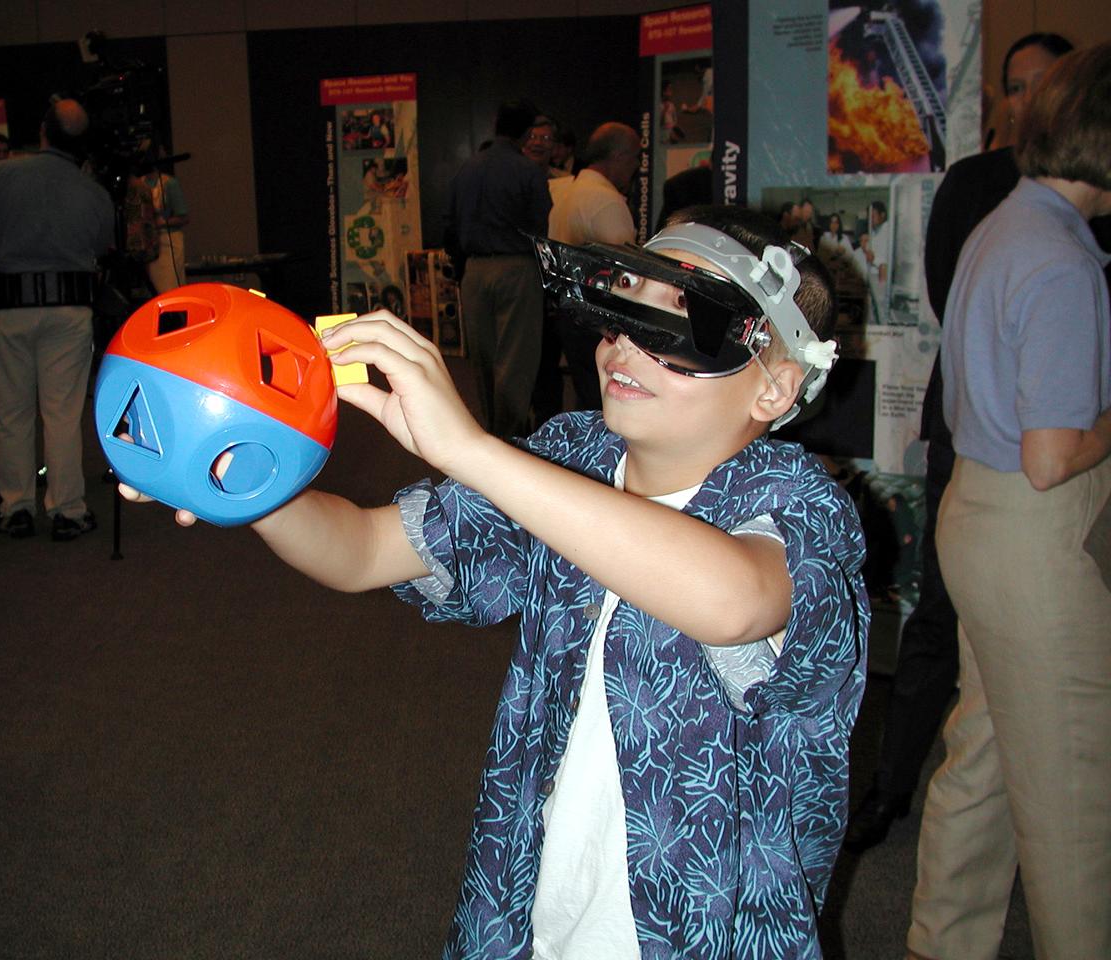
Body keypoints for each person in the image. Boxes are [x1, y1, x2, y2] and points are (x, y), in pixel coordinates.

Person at [127, 205, 867, 957]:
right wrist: (241, 474)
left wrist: (469, 450)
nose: (626, 346)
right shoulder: (567, 458)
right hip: (529, 910)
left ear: (774, 389)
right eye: (623, 309)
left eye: (682, 325)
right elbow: (361, 550)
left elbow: (734, 602)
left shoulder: (802, 510)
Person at [845, 31, 1078, 854]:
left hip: (1040, 462)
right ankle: (893, 785)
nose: (1027, 99)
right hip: (985, 445)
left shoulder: (1073, 209)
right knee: (940, 624)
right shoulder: (983, 189)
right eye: (1014, 85)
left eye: (1043, 82)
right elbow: (954, 304)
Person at [905, 44, 1111, 960]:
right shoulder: (1061, 257)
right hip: (1034, 540)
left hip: (976, 519)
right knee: (1075, 795)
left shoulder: (1004, 222)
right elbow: (1052, 457)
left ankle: (940, 944)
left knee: (982, 759)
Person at [0, 98, 115, 541]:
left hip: (8, 306)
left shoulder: (2, 174)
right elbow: (103, 248)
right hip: (69, 308)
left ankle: (16, 507)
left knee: (11, 413)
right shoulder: (92, 190)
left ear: (43, 132)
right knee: (63, 413)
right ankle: (68, 509)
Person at [445, 99, 551, 438]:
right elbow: (538, 228)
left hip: (474, 272)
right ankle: (510, 439)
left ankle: (489, 432)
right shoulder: (528, 171)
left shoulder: (468, 168)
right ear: (525, 132)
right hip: (517, 269)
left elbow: (449, 225)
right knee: (516, 361)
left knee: (483, 359)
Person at [545, 121, 640, 412]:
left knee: (586, 393)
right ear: (620, 157)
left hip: (570, 313)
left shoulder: (566, 195)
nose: (635, 167)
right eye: (635, 158)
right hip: (598, 321)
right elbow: (627, 273)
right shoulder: (605, 201)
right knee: (606, 400)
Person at [140, 158, 190, 293]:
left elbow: (184, 217)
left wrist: (162, 222)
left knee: (169, 287)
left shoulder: (169, 184)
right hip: (150, 243)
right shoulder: (140, 184)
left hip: (169, 242)